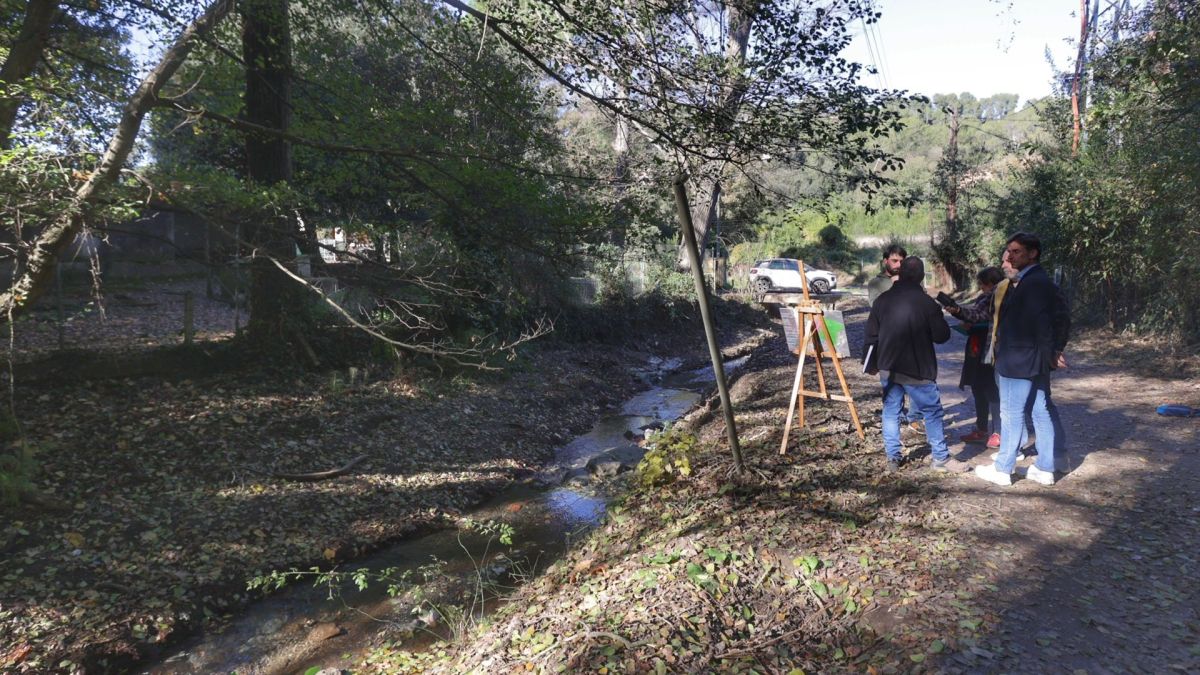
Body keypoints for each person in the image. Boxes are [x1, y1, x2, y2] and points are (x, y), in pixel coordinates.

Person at [973, 232, 1071, 487]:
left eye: (1016, 252)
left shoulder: (1033, 283)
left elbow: (1045, 324)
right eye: (1009, 251)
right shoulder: (1036, 281)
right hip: (1033, 359)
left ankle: (1003, 468)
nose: (1010, 256)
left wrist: (1053, 352)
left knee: (1011, 413)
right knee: (1040, 410)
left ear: (1033, 253)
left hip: (1019, 359)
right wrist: (1050, 353)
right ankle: (1045, 468)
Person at [864, 257, 969, 473]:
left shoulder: (882, 301)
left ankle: (893, 458)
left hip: (888, 367)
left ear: (900, 274)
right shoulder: (927, 303)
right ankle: (940, 458)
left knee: (891, 412)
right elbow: (942, 336)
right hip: (919, 369)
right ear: (921, 277)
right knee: (932, 412)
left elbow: (871, 336)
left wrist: (870, 363)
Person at [867, 243, 923, 436]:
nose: (898, 265)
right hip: (888, 344)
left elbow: (922, 304)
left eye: (901, 261)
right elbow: (876, 307)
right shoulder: (876, 283)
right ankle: (894, 423)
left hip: (914, 343)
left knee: (917, 384)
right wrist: (896, 286)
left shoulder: (914, 281)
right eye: (894, 260)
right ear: (885, 261)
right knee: (892, 390)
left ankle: (915, 418)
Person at [946, 266, 1005, 446]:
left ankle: (997, 432)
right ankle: (983, 429)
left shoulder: (997, 297)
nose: (981, 288)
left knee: (991, 391)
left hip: (989, 351)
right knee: (979, 388)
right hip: (979, 349)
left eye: (983, 284)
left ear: (991, 283)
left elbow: (977, 316)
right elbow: (978, 317)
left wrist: (958, 311)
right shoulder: (988, 297)